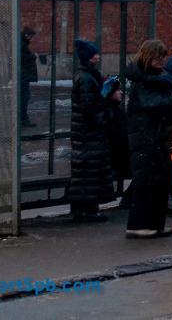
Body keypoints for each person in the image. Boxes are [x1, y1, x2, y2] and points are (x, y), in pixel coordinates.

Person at [125, 39, 172, 239]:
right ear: (149, 57)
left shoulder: (152, 79)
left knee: (158, 182)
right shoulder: (144, 82)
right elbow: (153, 105)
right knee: (146, 182)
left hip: (154, 137)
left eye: (163, 56)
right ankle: (138, 225)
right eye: (159, 57)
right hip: (146, 137)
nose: (162, 60)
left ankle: (154, 224)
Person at [65, 40, 114, 222]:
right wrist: (101, 120)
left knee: (86, 171)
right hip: (88, 132)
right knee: (89, 171)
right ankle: (87, 211)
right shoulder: (86, 77)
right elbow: (89, 106)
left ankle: (84, 209)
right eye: (95, 54)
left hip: (85, 132)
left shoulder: (85, 75)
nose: (98, 56)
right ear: (88, 57)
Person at [101, 76, 132, 209]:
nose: (121, 92)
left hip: (118, 156)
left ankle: (129, 198)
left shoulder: (116, 110)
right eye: (117, 90)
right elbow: (115, 139)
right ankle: (129, 198)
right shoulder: (107, 112)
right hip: (113, 158)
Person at [19, 27, 38, 127]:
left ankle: (23, 118)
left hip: (23, 75)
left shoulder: (22, 43)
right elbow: (22, 58)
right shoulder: (21, 44)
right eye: (30, 36)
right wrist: (33, 56)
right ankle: (23, 119)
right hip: (23, 75)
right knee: (24, 97)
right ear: (26, 35)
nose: (31, 38)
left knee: (24, 97)